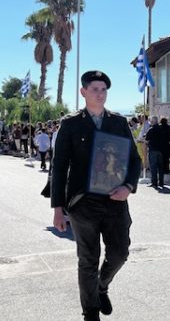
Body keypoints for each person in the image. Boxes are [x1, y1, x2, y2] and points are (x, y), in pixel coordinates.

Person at [51, 71, 141, 321]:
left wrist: (128, 187)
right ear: (83, 92)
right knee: (87, 259)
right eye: (94, 89)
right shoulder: (70, 124)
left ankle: (101, 286)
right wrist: (58, 208)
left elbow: (134, 160)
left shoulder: (118, 122)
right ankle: (90, 312)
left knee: (120, 253)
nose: (100, 94)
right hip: (83, 202)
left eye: (103, 90)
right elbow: (59, 167)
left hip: (115, 200)